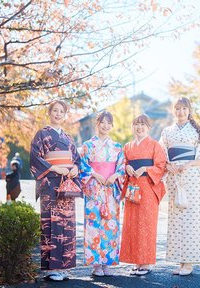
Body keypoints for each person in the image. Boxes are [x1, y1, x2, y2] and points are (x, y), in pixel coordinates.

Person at [159, 97, 200, 276]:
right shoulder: (167, 131)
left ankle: (189, 262)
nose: (180, 112)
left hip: (191, 177)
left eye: (184, 108)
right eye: (177, 108)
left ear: (189, 110)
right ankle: (180, 260)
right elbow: (160, 154)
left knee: (191, 217)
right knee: (176, 217)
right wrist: (168, 165)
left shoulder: (197, 132)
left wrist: (188, 164)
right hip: (174, 176)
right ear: (173, 110)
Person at [29, 100, 82, 282]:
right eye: (55, 111)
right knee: (51, 224)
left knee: (67, 224)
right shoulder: (41, 135)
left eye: (62, 111)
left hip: (66, 183)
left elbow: (77, 159)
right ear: (49, 112)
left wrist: (75, 168)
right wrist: (54, 168)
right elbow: (35, 158)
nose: (58, 114)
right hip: (50, 185)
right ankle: (52, 268)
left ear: (65, 115)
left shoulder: (68, 138)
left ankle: (65, 267)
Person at [79, 111, 125, 277]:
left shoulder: (117, 147)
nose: (105, 126)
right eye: (102, 122)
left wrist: (115, 175)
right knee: (94, 226)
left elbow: (121, 167)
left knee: (110, 224)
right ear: (96, 124)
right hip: (94, 188)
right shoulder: (87, 146)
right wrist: (95, 174)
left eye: (109, 123)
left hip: (111, 189)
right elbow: (83, 166)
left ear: (112, 126)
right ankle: (96, 264)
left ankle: (108, 263)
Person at [120, 114, 167, 276]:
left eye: (142, 124)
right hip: (133, 187)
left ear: (148, 127)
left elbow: (161, 166)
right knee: (132, 224)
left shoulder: (154, 145)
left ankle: (146, 263)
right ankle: (137, 262)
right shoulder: (127, 146)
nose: (139, 127)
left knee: (146, 225)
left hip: (147, 188)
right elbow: (122, 163)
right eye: (136, 124)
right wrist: (126, 168)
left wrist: (146, 169)